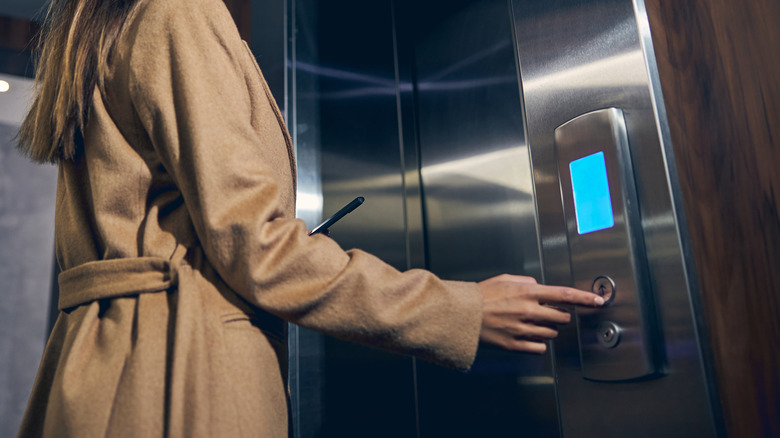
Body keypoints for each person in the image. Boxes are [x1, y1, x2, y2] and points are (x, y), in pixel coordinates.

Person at [16, 0, 604, 436]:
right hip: (179, 373)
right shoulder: (177, 12)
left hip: (95, 372)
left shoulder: (96, 27)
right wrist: (461, 311)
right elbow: (258, 249)